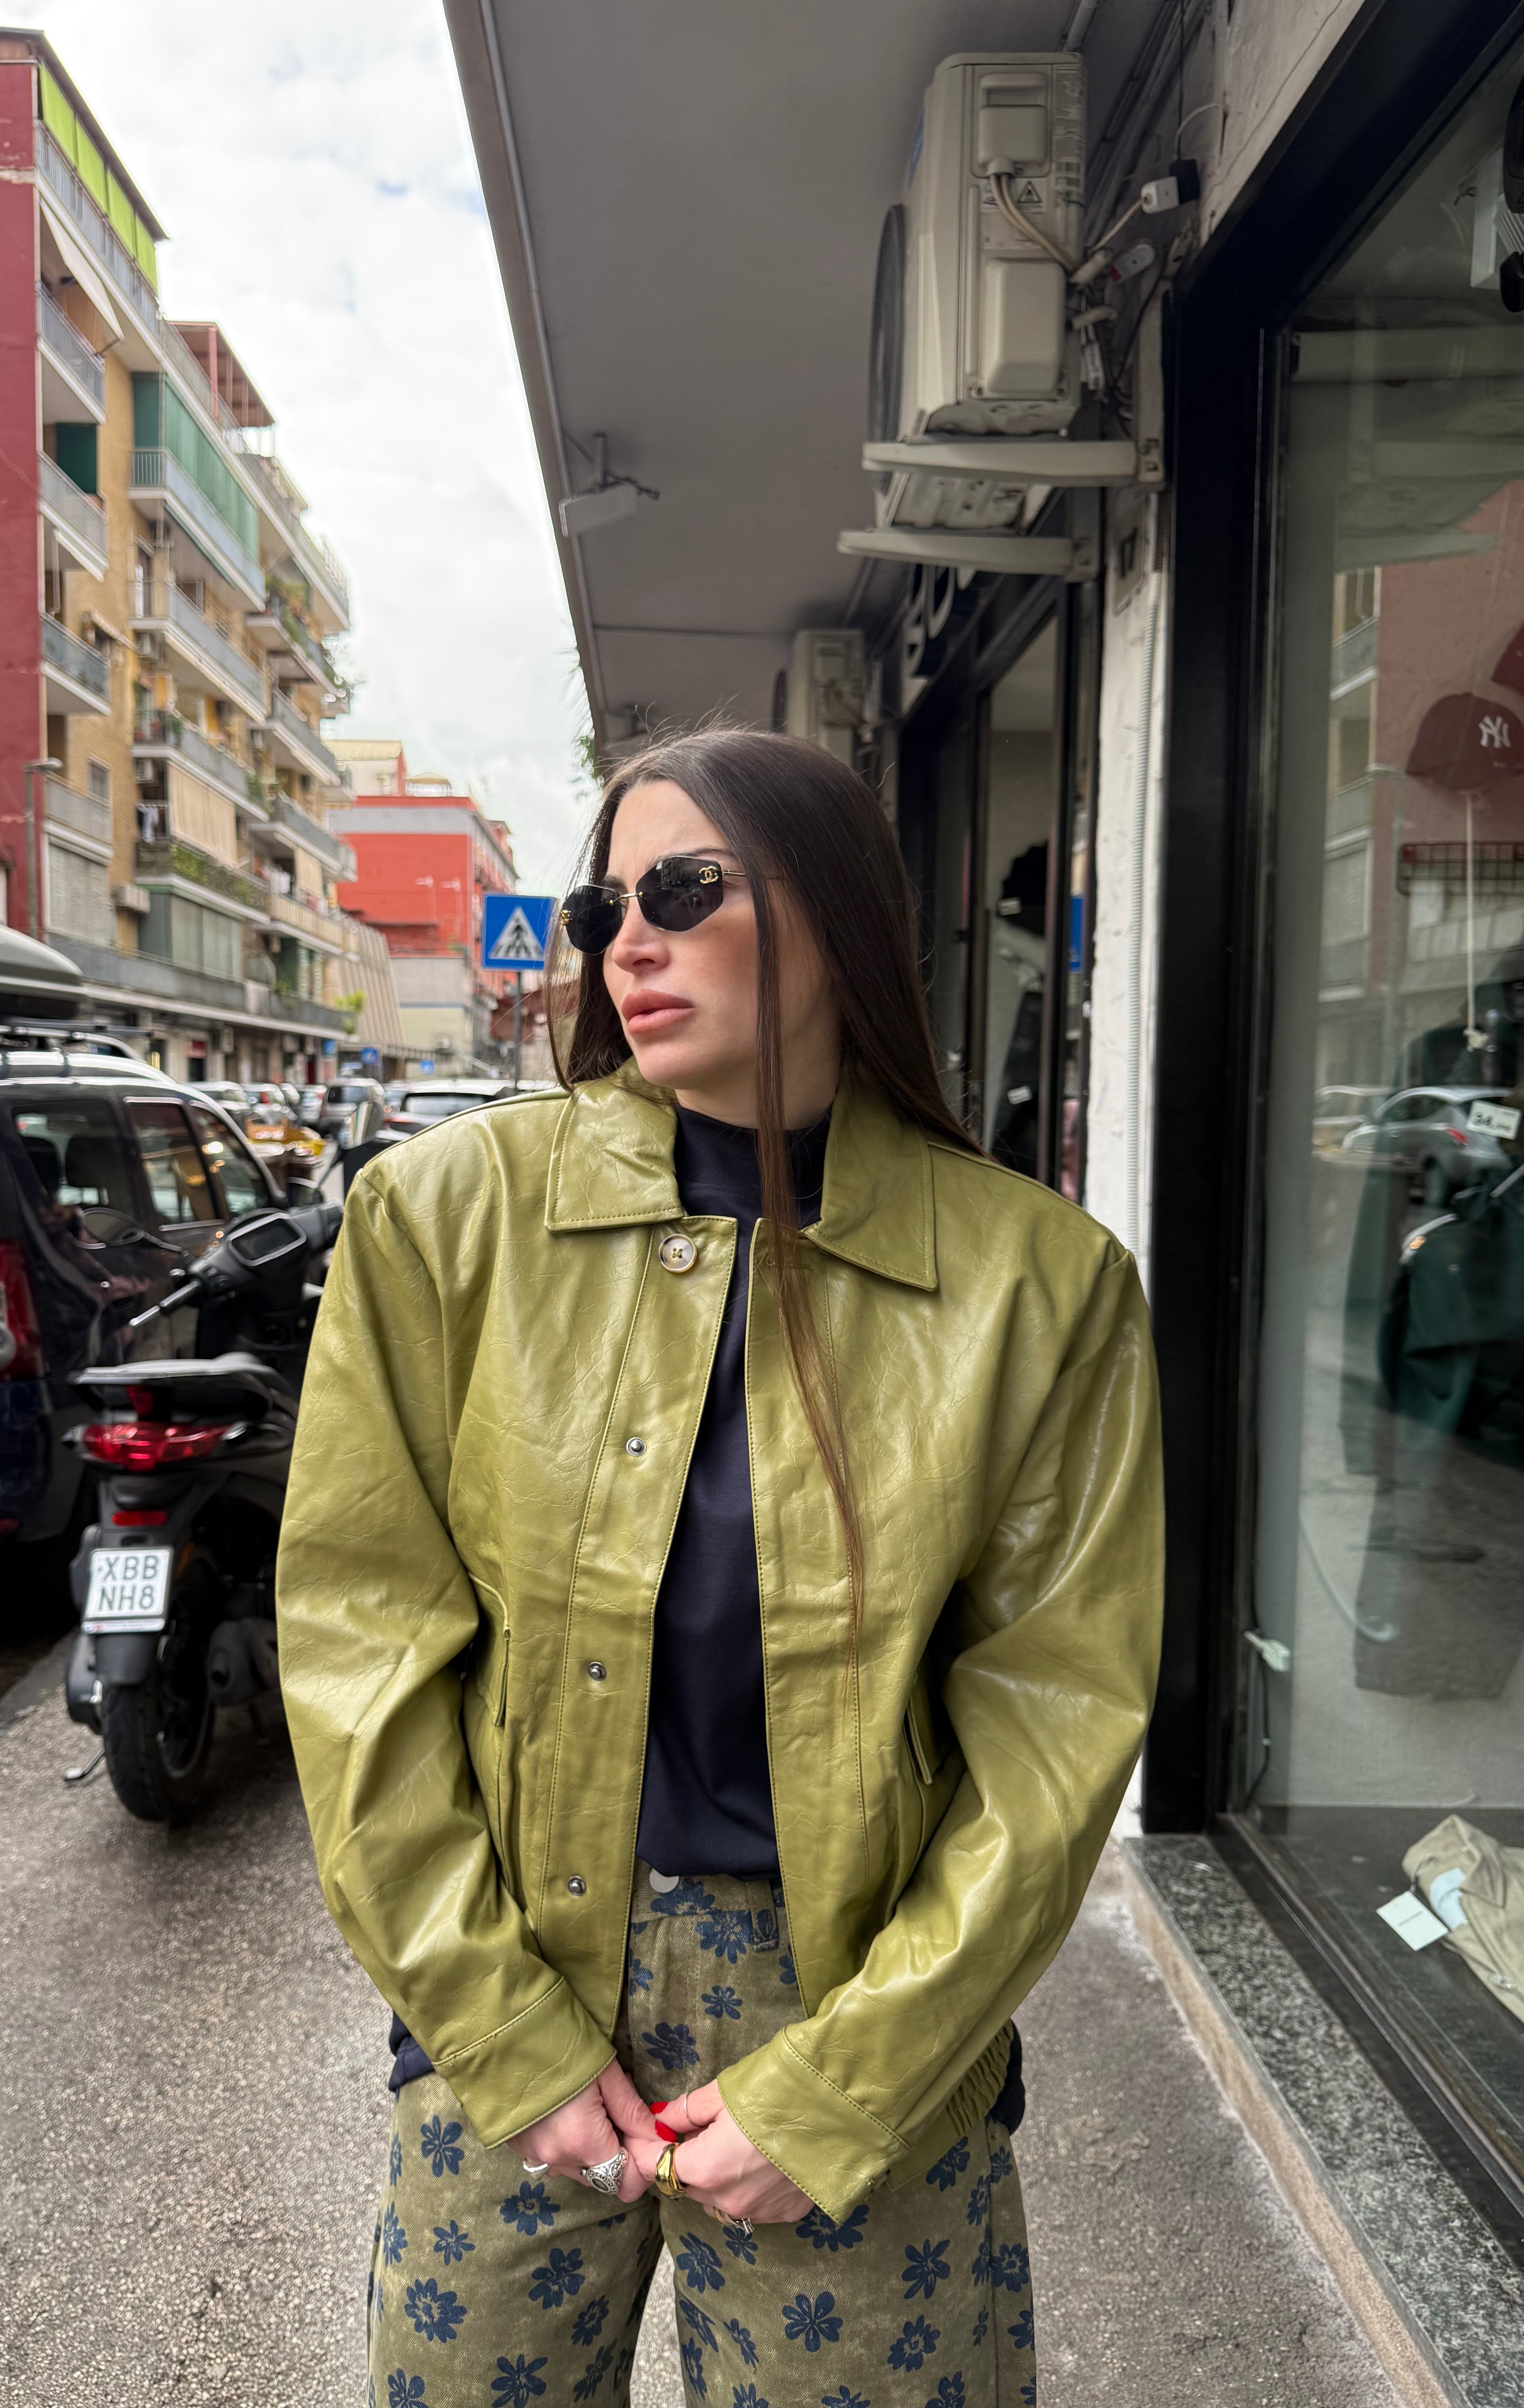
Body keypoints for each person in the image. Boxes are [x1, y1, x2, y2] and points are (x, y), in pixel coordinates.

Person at [277, 728, 1163, 2408]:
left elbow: (1054, 1730)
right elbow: (359, 1646)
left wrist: (845, 2086)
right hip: (514, 1981)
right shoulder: (445, 1222)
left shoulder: (1036, 1286)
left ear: (837, 914)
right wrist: (499, 2032)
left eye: (686, 890)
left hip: (867, 2015)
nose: (630, 941)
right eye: (605, 904)